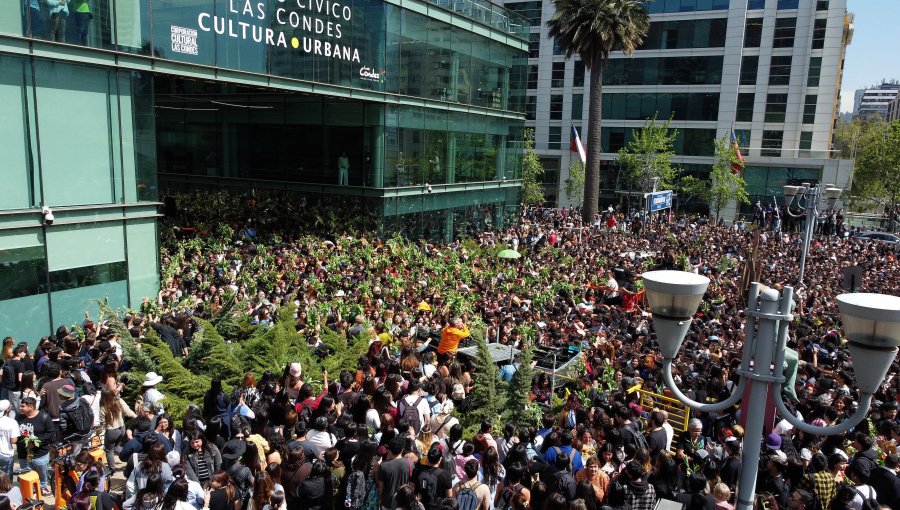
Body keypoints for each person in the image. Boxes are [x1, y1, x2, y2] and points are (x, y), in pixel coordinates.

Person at [15, 396, 55, 496]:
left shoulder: (44, 417)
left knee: (42, 474)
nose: (20, 408)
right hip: (23, 454)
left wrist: (36, 442)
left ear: (30, 407)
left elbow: (50, 432)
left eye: (22, 406)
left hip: (40, 453)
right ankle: (30, 490)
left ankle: (43, 488)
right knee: (27, 474)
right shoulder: (19, 416)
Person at [100, 387, 136, 474]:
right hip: (122, 427)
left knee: (109, 450)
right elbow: (128, 412)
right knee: (116, 446)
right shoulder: (119, 401)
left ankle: (112, 469)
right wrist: (137, 418)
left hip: (111, 431)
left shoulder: (104, 406)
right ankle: (130, 458)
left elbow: (102, 422)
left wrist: (101, 431)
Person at [412, 444, 452, 510]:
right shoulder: (445, 475)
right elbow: (449, 497)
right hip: (438, 507)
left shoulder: (417, 470)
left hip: (420, 506)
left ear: (427, 458)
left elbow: (412, 488)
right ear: (440, 459)